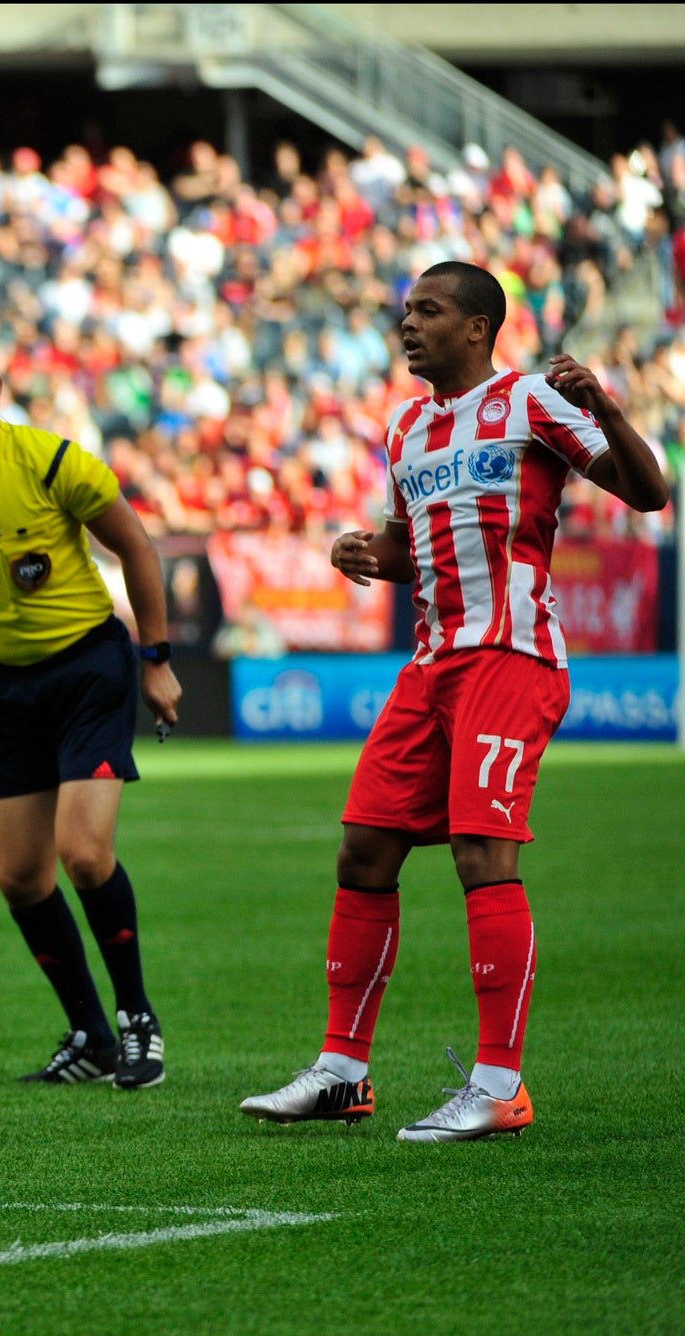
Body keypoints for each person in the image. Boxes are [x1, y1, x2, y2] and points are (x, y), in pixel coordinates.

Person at [240, 263, 669, 1140]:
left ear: (477, 328)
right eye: (404, 311)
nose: (408, 325)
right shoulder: (403, 429)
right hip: (432, 662)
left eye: (428, 311)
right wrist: (370, 557)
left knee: (482, 854)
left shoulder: (531, 403)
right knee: (364, 847)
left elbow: (648, 492)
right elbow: (412, 549)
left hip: (511, 655)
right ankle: (343, 1071)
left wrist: (611, 409)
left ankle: (500, 1086)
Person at [0, 320, 182, 1090]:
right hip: (8, 684)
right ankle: (89, 1035)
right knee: (20, 877)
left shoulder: (54, 461)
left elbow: (138, 548)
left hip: (90, 668)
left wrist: (155, 660)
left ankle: (137, 1020)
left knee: (83, 854)